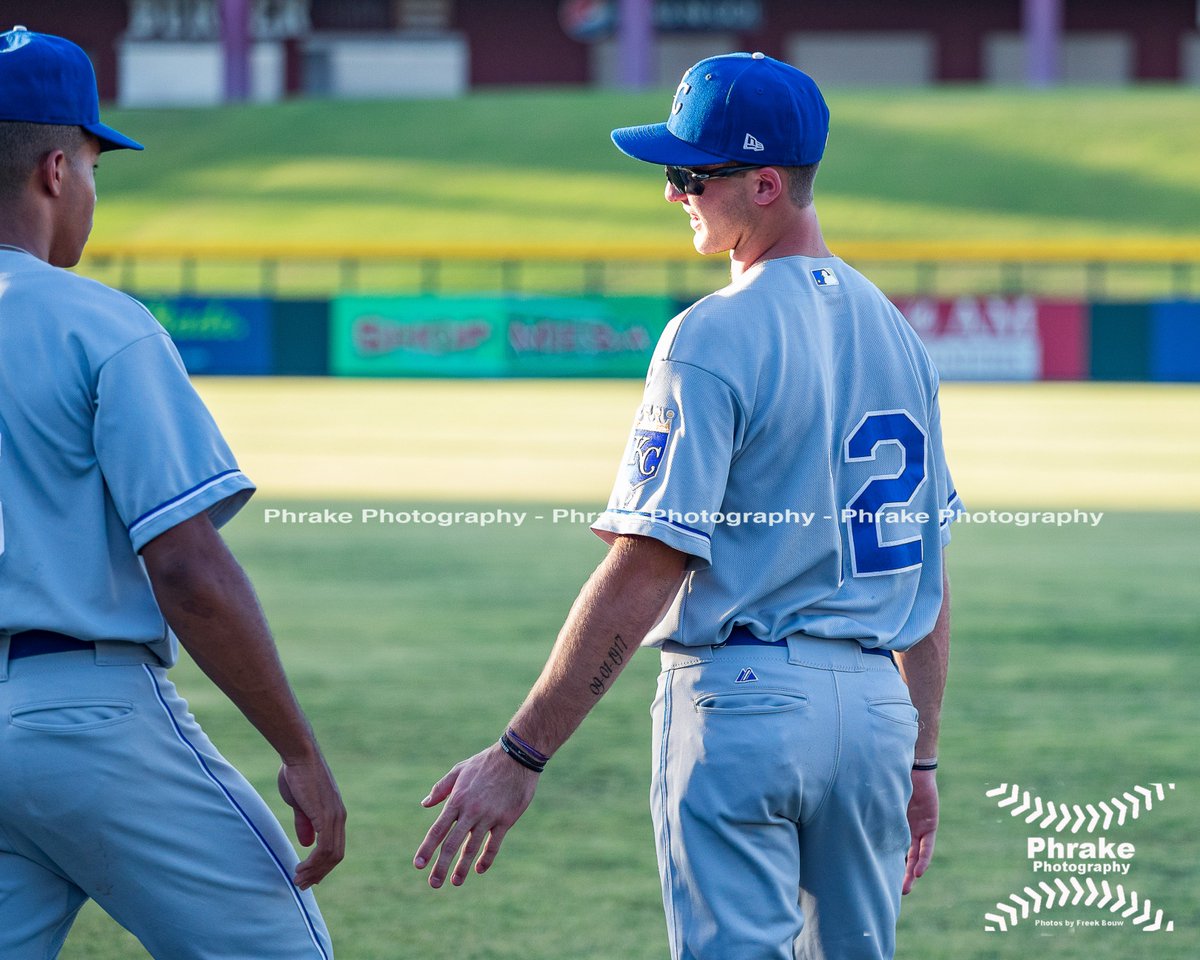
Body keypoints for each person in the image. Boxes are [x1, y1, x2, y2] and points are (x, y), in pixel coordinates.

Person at [415, 52, 960, 960]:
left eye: (691, 174)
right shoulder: (899, 336)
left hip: (745, 706)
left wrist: (520, 755)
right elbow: (927, 579)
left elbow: (649, 563)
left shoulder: (710, 333)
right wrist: (922, 755)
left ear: (766, 185)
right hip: (875, 716)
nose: (673, 193)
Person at [0, 26, 344, 959]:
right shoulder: (98, 325)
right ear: (59, 170)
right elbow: (187, 567)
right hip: (86, 717)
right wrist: (300, 751)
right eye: (97, 167)